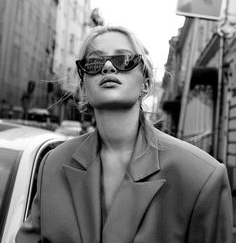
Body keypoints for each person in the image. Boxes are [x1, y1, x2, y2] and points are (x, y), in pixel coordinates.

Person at [16, 25, 233, 243]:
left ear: (146, 83)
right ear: (83, 86)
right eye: (94, 62)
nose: (108, 66)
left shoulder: (201, 176)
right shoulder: (53, 165)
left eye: (124, 60)